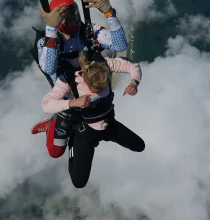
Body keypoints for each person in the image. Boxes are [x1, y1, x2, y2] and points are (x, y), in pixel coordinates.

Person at [35, 51, 144, 189]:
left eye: (103, 87)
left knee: (139, 146)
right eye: (96, 89)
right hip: (84, 130)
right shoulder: (69, 81)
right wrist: (73, 102)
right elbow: (46, 104)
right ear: (86, 80)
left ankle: (105, 134)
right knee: (79, 182)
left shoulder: (104, 65)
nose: (99, 92)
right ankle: (54, 125)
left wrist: (134, 82)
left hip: (108, 123)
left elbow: (132, 65)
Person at [36, 0, 127, 85]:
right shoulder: (46, 42)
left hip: (95, 86)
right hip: (70, 94)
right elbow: (49, 69)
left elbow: (120, 45)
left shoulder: (90, 31)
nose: (71, 18)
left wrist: (109, 13)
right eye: (64, 16)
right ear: (56, 19)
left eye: (73, 13)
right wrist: (51, 29)